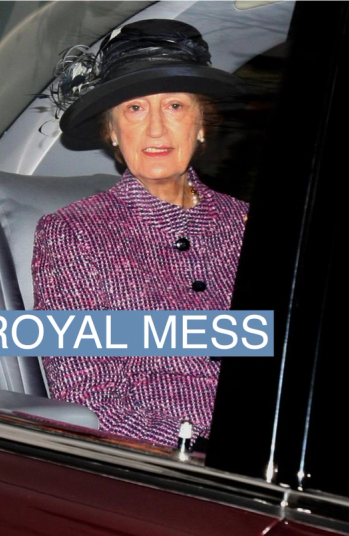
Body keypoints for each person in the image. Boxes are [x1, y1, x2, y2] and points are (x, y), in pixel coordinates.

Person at [32, 19, 248, 447]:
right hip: (172, 463)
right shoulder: (73, 234)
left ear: (201, 123)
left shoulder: (246, 223)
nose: (154, 129)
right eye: (135, 108)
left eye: (175, 106)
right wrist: (198, 447)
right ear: (112, 131)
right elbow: (89, 397)